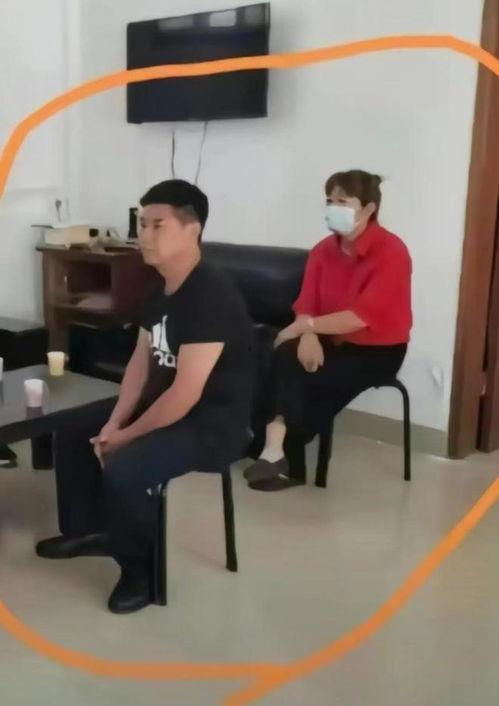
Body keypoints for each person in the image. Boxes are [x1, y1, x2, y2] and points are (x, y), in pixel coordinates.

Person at [36, 179, 254, 614]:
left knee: (126, 468)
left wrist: (126, 436)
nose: (144, 235)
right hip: (168, 408)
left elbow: (186, 394)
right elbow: (140, 362)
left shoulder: (211, 294)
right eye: (141, 224)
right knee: (77, 424)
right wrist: (115, 421)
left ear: (192, 230)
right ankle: (90, 530)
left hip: (211, 424)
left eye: (157, 225)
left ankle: (139, 571)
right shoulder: (160, 287)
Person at [245, 170, 412, 491]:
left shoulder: (392, 252)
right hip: (328, 338)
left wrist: (305, 327)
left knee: (297, 370)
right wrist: (308, 334)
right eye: (329, 201)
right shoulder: (323, 250)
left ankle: (277, 451)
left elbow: (361, 317)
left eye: (342, 202)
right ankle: (275, 451)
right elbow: (306, 302)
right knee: (280, 352)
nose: (333, 208)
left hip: (377, 350)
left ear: (368, 209)